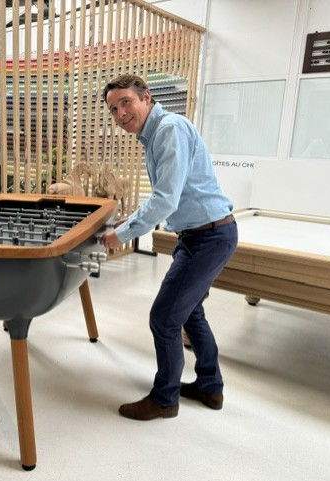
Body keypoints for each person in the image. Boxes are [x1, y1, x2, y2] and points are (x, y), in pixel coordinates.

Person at [100, 74, 238, 421]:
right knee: (190, 313)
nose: (120, 114)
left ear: (146, 97)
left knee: (163, 318)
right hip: (203, 235)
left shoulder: (168, 129)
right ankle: (210, 386)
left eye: (126, 103)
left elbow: (165, 199)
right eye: (113, 109)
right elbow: (168, 193)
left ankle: (165, 399)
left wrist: (123, 234)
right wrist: (130, 219)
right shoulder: (156, 134)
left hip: (208, 237)